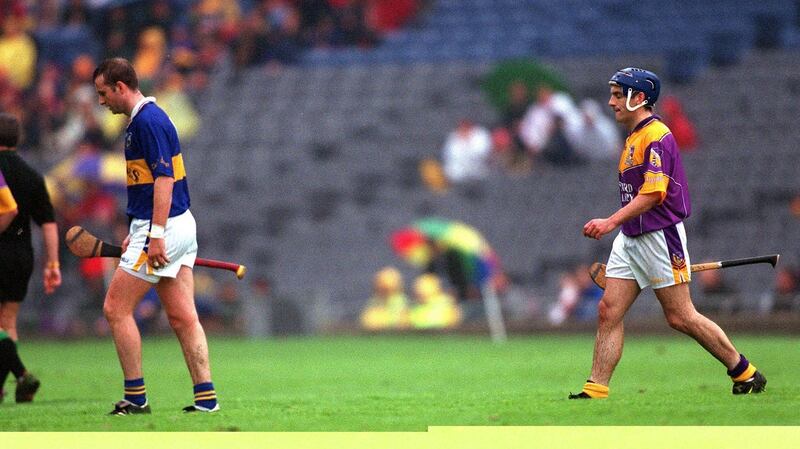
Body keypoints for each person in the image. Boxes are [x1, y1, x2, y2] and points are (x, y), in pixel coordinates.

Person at [571, 67, 765, 399]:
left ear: (640, 98)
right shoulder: (633, 136)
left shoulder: (656, 135)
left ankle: (745, 372)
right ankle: (596, 389)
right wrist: (621, 228)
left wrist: (609, 221)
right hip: (631, 239)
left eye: (619, 95)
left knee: (680, 316)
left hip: (659, 236)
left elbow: (653, 193)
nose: (611, 102)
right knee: (608, 310)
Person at [93, 57, 218, 414]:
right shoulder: (145, 120)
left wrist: (155, 235)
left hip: (164, 227)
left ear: (120, 87)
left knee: (115, 308)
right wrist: (139, 230)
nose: (102, 101)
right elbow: (149, 184)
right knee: (182, 317)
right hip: (170, 225)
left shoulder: (148, 121)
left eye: (104, 93)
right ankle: (206, 398)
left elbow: (165, 179)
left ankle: (136, 397)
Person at [0, 113, 62, 403]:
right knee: (8, 321)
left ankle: (21, 374)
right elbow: (48, 224)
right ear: (18, 139)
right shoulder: (33, 176)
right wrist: (53, 263)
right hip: (22, 255)